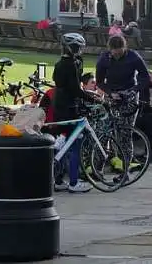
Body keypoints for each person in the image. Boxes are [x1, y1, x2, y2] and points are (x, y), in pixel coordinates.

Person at [52, 32, 99, 193]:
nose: (81, 50)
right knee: (76, 143)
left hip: (59, 105)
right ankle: (73, 181)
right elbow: (75, 89)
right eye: (79, 47)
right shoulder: (71, 64)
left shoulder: (60, 64)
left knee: (65, 143)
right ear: (73, 48)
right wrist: (94, 99)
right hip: (69, 107)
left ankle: (58, 179)